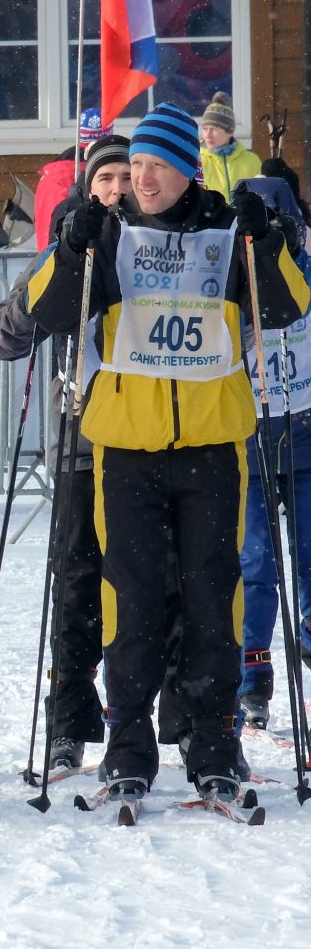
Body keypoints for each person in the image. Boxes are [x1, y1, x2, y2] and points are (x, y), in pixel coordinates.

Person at [28, 102, 308, 809]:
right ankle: (128, 746)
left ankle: (215, 742)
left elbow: (288, 308)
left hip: (214, 446)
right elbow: (45, 311)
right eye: (137, 167)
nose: (141, 179)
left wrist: (265, 241)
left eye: (157, 166)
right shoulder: (110, 234)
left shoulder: (225, 230)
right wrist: (70, 246)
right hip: (124, 449)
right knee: (132, 602)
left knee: (215, 600)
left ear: (189, 168)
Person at [0, 133, 130, 771]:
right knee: (77, 586)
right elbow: (4, 336)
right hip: (79, 440)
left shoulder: (162, 253)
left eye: (129, 178)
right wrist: (65, 260)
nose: (119, 191)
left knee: (154, 583)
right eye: (108, 179)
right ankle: (70, 717)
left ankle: (162, 717)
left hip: (150, 444)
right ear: (88, 187)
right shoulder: (65, 245)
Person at [230, 175, 311, 734]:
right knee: (255, 565)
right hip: (252, 442)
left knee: (309, 560)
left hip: (306, 439)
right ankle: (252, 679)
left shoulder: (305, 272)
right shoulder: (234, 279)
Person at [199, 93, 263, 200]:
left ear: (230, 131)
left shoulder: (251, 161)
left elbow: (262, 196)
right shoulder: (197, 161)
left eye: (214, 129)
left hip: (243, 216)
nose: (208, 135)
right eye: (205, 129)